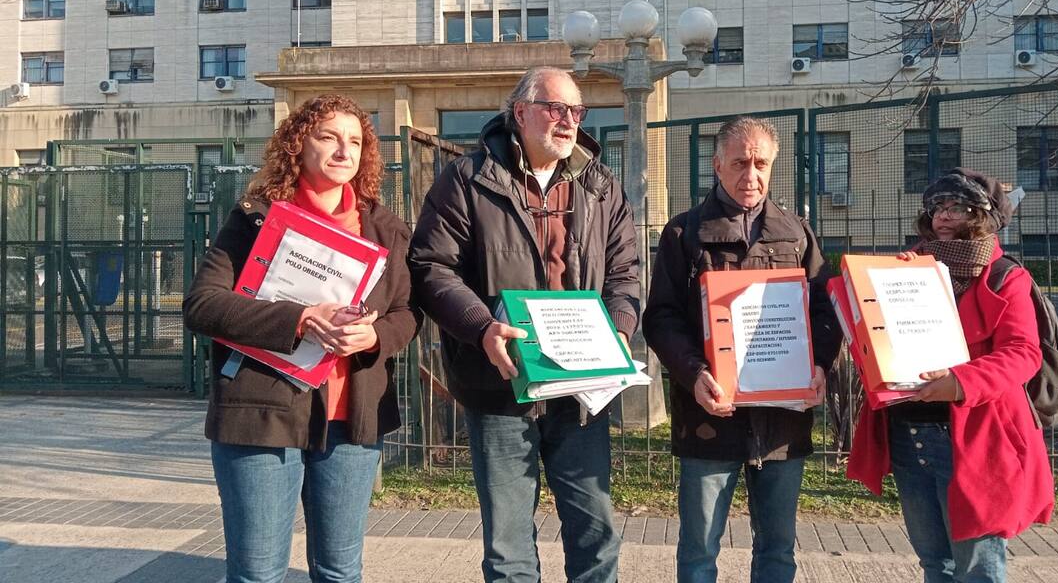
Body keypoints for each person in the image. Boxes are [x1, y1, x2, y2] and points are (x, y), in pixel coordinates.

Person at [408, 66, 639, 583]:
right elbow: (431, 267)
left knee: (596, 535)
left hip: (581, 388)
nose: (569, 121)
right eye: (556, 108)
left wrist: (620, 330)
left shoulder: (601, 186)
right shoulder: (467, 179)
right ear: (520, 112)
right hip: (500, 384)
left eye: (577, 111)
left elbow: (626, 271)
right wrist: (481, 326)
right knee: (509, 548)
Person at [184, 94, 420, 583]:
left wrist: (374, 336)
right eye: (328, 137)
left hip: (351, 421)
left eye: (355, 141)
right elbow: (202, 305)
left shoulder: (387, 230)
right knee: (258, 573)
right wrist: (301, 318)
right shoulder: (254, 219)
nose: (344, 151)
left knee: (340, 572)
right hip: (261, 416)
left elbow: (407, 313)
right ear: (297, 144)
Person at [643, 116, 842, 583]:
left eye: (761, 164)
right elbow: (662, 318)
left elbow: (825, 311)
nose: (750, 175)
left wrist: (819, 365)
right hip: (709, 418)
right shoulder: (684, 233)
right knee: (699, 552)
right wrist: (694, 374)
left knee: (777, 551)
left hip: (782, 424)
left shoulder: (798, 234)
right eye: (739, 163)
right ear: (717, 165)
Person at [846, 167, 1055, 583]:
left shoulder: (1005, 277)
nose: (942, 215)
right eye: (937, 206)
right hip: (908, 432)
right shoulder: (908, 268)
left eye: (957, 206)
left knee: (977, 569)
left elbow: (1023, 354)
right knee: (934, 563)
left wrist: (960, 382)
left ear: (983, 215)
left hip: (973, 438)